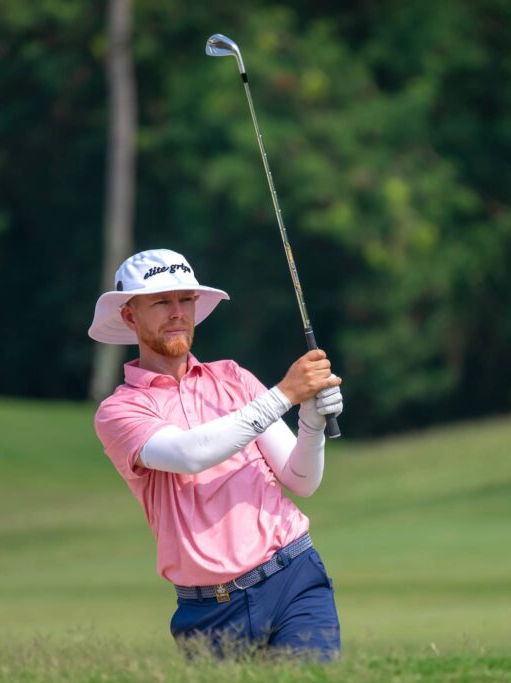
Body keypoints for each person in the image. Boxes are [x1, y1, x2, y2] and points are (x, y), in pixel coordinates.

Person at [88, 248, 344, 660]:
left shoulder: (234, 378)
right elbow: (190, 454)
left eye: (185, 299)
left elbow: (302, 480)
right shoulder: (121, 409)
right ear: (130, 316)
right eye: (161, 301)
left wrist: (310, 423)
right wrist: (285, 394)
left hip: (293, 575)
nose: (177, 312)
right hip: (208, 611)